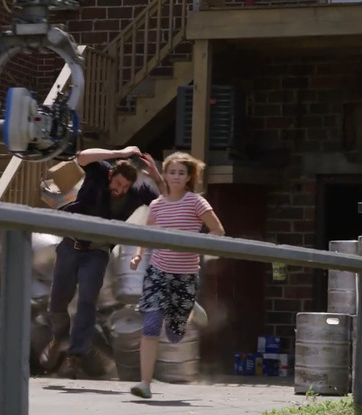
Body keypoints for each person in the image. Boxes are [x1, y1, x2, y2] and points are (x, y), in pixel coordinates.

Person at [40, 146, 165, 379]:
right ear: (111, 175)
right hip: (70, 245)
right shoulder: (100, 171)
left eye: (125, 187)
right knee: (58, 302)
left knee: (87, 301)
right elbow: (82, 156)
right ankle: (59, 339)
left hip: (96, 252)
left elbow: (166, 202)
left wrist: (157, 176)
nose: (120, 190)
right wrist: (118, 152)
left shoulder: (138, 191)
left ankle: (75, 355)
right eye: (117, 184)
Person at [128, 151, 225, 399]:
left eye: (181, 173)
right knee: (150, 325)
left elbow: (218, 231)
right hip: (158, 272)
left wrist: (195, 241)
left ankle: (189, 309)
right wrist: (138, 255)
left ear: (189, 177)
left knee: (174, 334)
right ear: (166, 175)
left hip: (185, 275)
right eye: (172, 172)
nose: (175, 177)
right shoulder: (157, 205)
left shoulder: (196, 202)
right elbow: (146, 235)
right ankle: (145, 384)